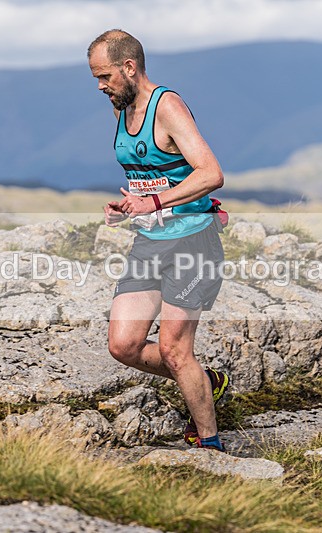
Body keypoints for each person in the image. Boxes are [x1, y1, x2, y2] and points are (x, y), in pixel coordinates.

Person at [87, 29, 229, 452]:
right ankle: (205, 383)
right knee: (123, 345)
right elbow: (149, 175)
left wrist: (152, 202)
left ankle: (210, 445)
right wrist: (128, 206)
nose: (100, 86)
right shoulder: (121, 107)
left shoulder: (167, 106)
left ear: (130, 67)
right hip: (149, 242)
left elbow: (211, 173)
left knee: (174, 350)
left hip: (192, 242)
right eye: (96, 78)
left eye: (105, 76)